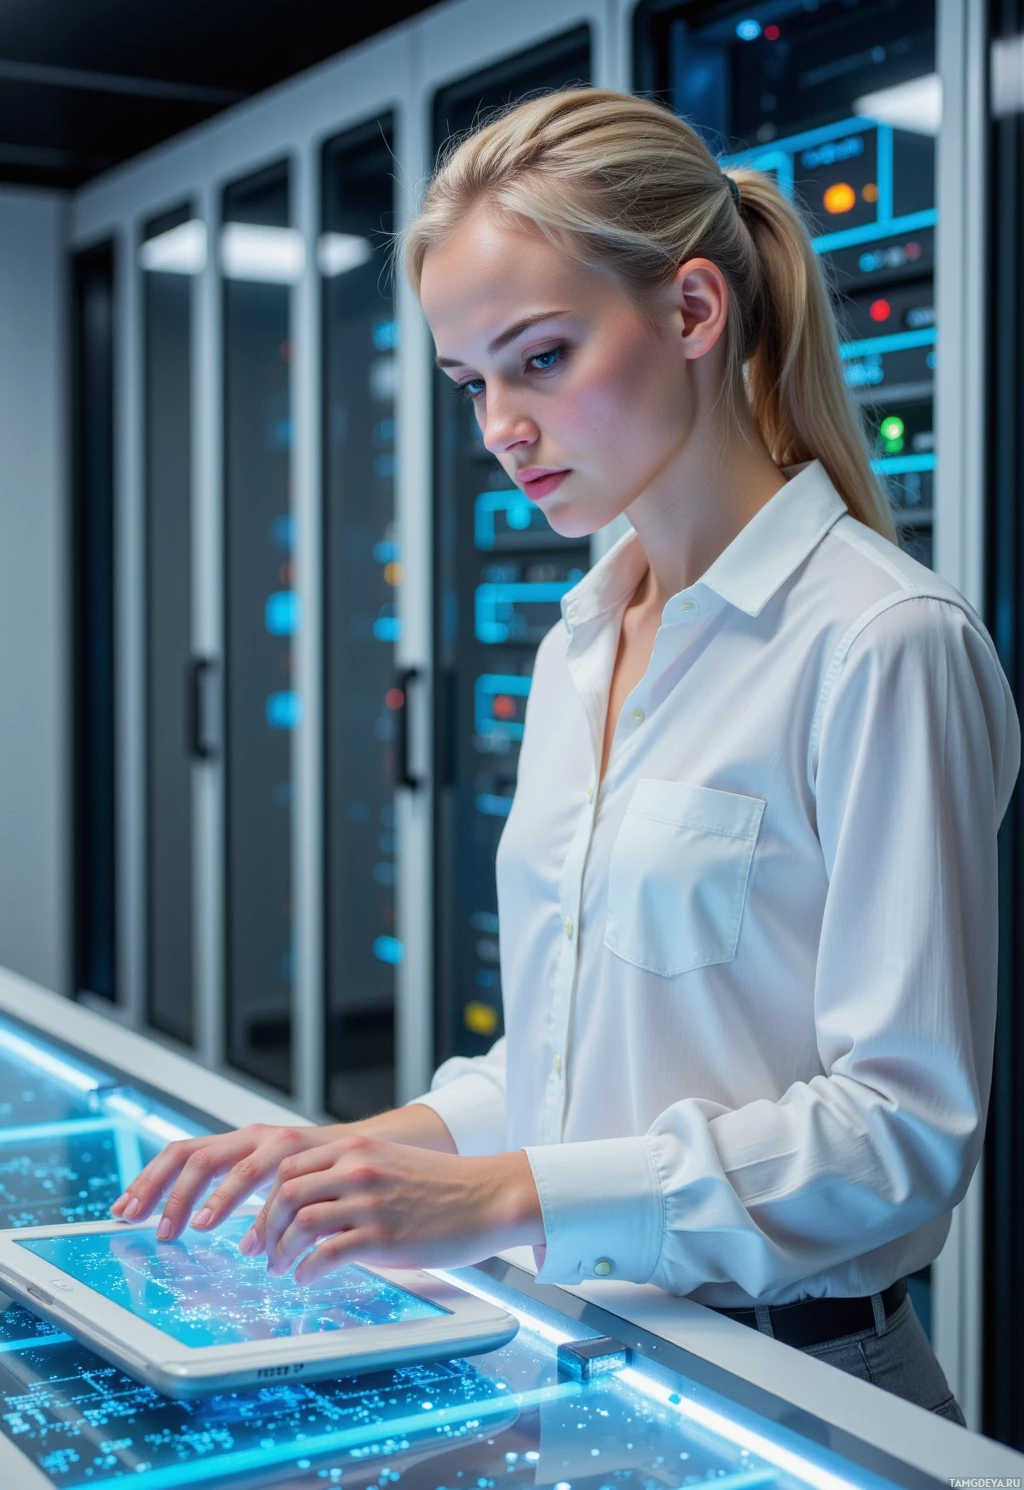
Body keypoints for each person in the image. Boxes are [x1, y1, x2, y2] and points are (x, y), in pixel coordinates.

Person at [112, 89, 1019, 1424]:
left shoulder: (883, 641)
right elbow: (562, 1064)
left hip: (806, 1382)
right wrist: (353, 1154)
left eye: (541, 357)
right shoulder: (580, 642)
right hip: (586, 1348)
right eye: (472, 380)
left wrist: (499, 1196)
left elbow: (900, 1132)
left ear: (694, 312)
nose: (501, 427)